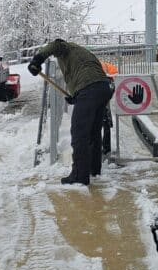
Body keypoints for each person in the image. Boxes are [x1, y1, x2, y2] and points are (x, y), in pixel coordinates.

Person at [28, 39, 113, 185]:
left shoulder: (64, 47)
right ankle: (94, 170)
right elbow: (85, 74)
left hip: (89, 89)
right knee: (93, 132)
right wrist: (76, 96)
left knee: (80, 133)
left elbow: (56, 44)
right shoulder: (82, 52)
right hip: (103, 88)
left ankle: (79, 176)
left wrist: (37, 60)